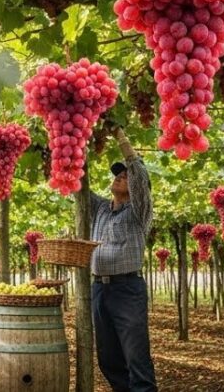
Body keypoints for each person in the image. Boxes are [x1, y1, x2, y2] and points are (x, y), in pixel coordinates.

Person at [89, 127, 157, 392]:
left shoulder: (139, 209)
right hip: (99, 289)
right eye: (117, 174)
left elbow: (139, 174)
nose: (120, 176)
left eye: (125, 175)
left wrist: (120, 136)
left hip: (127, 290)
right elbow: (76, 185)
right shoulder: (101, 209)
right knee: (108, 359)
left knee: (136, 358)